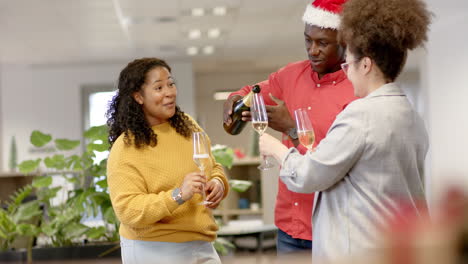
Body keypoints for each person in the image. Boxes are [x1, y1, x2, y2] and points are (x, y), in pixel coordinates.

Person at [259, 0, 431, 262]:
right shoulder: (410, 115)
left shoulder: (360, 115)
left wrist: (277, 149)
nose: (346, 72)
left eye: (348, 63)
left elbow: (308, 176)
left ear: (366, 65)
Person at [222, 0, 357, 254]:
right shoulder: (292, 74)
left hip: (331, 228)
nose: (312, 50)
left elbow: (335, 166)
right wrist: (234, 99)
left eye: (322, 43)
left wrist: (291, 128)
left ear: (344, 41)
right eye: (308, 40)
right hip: (287, 226)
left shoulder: (356, 91)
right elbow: (252, 93)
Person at [106, 58, 229, 264]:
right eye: (159, 87)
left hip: (201, 243)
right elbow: (128, 210)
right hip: (153, 248)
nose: (170, 92)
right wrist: (179, 195)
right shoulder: (126, 146)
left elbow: (212, 167)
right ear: (138, 96)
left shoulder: (188, 126)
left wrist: (217, 182)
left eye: (171, 84)